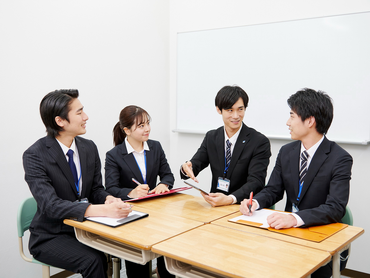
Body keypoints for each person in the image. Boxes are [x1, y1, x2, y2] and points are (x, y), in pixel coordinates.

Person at [240, 88, 352, 278]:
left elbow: (335, 208)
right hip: (286, 236)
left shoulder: (339, 158)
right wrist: (255, 202)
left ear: (310, 121)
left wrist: (294, 219)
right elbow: (273, 190)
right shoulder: (286, 152)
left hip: (319, 238)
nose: (287, 122)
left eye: (292, 116)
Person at [23, 89, 132, 278]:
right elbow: (51, 206)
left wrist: (109, 199)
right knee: (93, 260)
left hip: (85, 227)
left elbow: (96, 189)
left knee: (127, 246)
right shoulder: (35, 155)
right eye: (79, 112)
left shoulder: (88, 147)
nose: (86, 117)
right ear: (60, 121)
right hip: (51, 235)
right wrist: (103, 211)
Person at [105, 105, 175, 278]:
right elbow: (111, 189)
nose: (147, 129)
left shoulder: (155, 147)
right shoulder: (114, 155)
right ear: (127, 130)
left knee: (167, 254)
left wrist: (163, 185)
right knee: (138, 265)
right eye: (141, 126)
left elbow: (168, 175)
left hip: (156, 212)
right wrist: (131, 193)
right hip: (131, 216)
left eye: (148, 123)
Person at [180, 85, 271, 207]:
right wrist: (186, 168)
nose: (236, 116)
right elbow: (195, 164)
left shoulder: (259, 141)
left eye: (240, 109)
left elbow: (256, 182)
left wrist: (230, 199)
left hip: (243, 206)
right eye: (230, 110)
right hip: (215, 205)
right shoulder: (212, 137)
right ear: (219, 110)